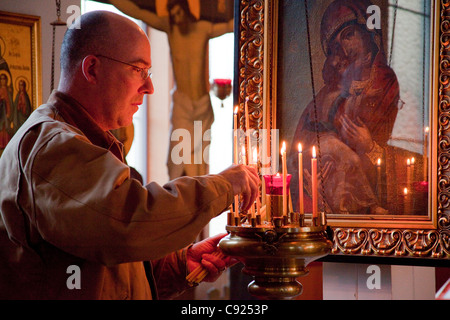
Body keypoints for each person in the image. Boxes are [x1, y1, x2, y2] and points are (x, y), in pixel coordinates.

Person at [0, 10, 259, 300]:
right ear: (92, 69)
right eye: (139, 70)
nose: (149, 87)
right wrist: (224, 185)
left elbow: (98, 263)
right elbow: (126, 221)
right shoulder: (51, 145)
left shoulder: (86, 142)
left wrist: (177, 266)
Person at [288, 0, 400, 215]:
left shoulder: (393, 88)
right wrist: (311, 183)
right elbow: (296, 160)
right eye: (333, 46)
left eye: (348, 34)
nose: (342, 48)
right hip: (333, 210)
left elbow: (420, 161)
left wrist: (370, 147)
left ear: (368, 34)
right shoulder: (324, 97)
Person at [109, 0, 233, 179]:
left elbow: (230, 25)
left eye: (179, 13)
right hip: (182, 103)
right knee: (178, 155)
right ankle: (180, 195)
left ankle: (198, 199)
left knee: (199, 156)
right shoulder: (170, 27)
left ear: (187, 11)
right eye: (173, 14)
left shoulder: (203, 28)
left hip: (201, 103)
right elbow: (138, 12)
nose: (176, 18)